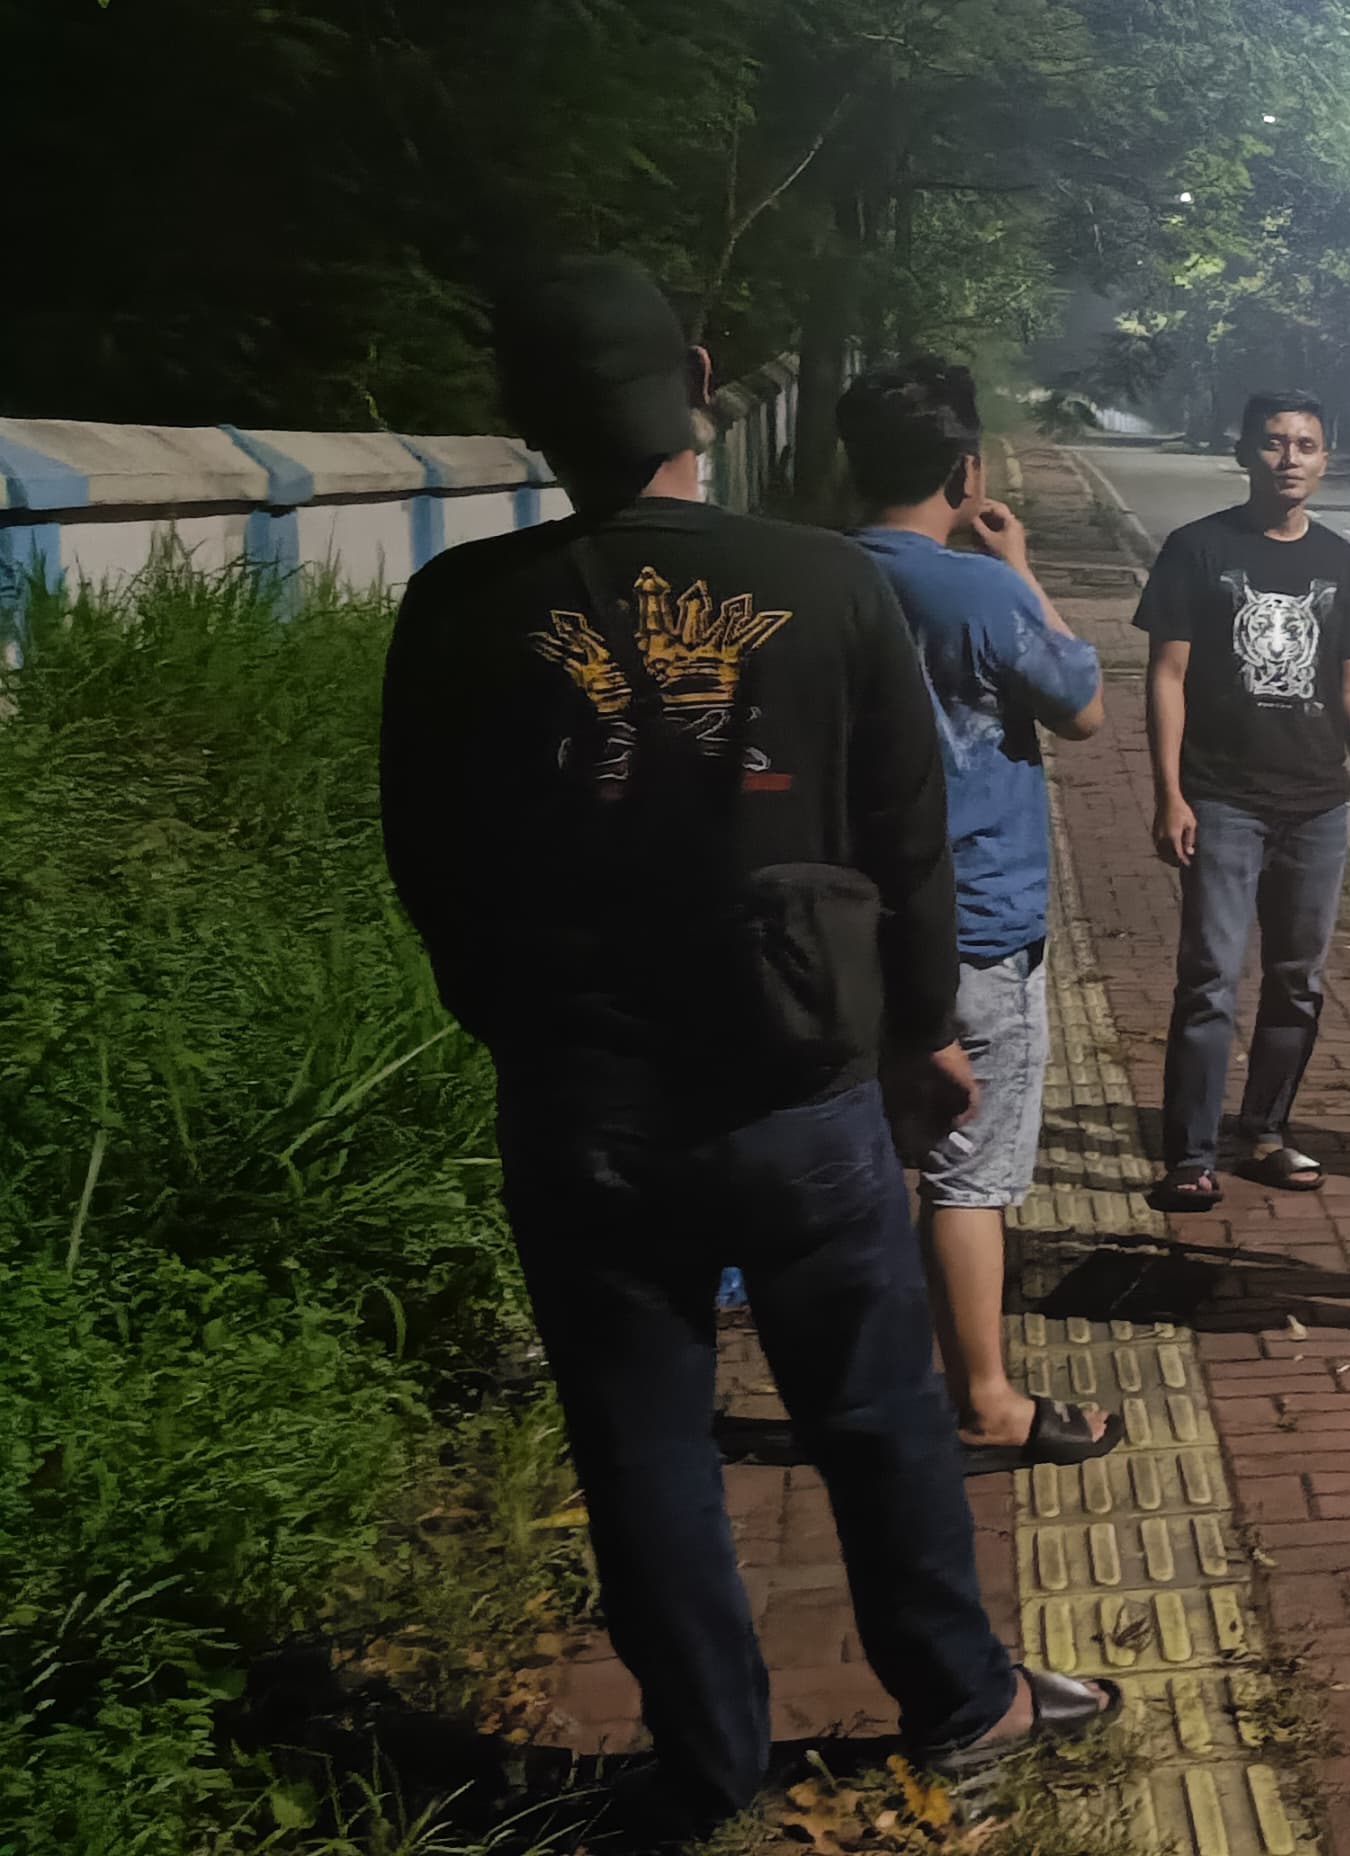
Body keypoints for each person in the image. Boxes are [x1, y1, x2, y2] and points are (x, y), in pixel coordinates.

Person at [378, 257, 1114, 1842]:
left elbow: (430, 867)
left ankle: (705, 1761)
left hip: (582, 1101)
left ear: (521, 413)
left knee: (641, 1439)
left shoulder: (458, 609)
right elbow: (906, 843)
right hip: (801, 1089)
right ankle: (962, 1699)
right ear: (702, 381)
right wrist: (919, 1036)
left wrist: (525, 1029)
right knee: (875, 1410)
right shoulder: (827, 588)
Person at [836, 353, 1120, 1466]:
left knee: (858, 1158)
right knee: (969, 1175)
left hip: (839, 921)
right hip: (975, 924)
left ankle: (861, 1379)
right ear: (966, 472)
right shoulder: (980, 593)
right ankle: (986, 1399)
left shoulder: (812, 581)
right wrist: (1023, 568)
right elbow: (1083, 706)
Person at [1136, 388, 1350, 1212]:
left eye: (1306, 444)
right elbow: (1166, 676)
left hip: (1317, 804)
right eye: (1275, 442)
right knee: (1210, 977)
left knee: (1298, 979)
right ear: (1245, 452)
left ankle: (1268, 1132)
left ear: (1325, 459)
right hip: (1223, 799)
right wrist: (1169, 792)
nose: (1290, 458)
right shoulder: (1197, 549)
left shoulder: (1340, 561)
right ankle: (1191, 1154)